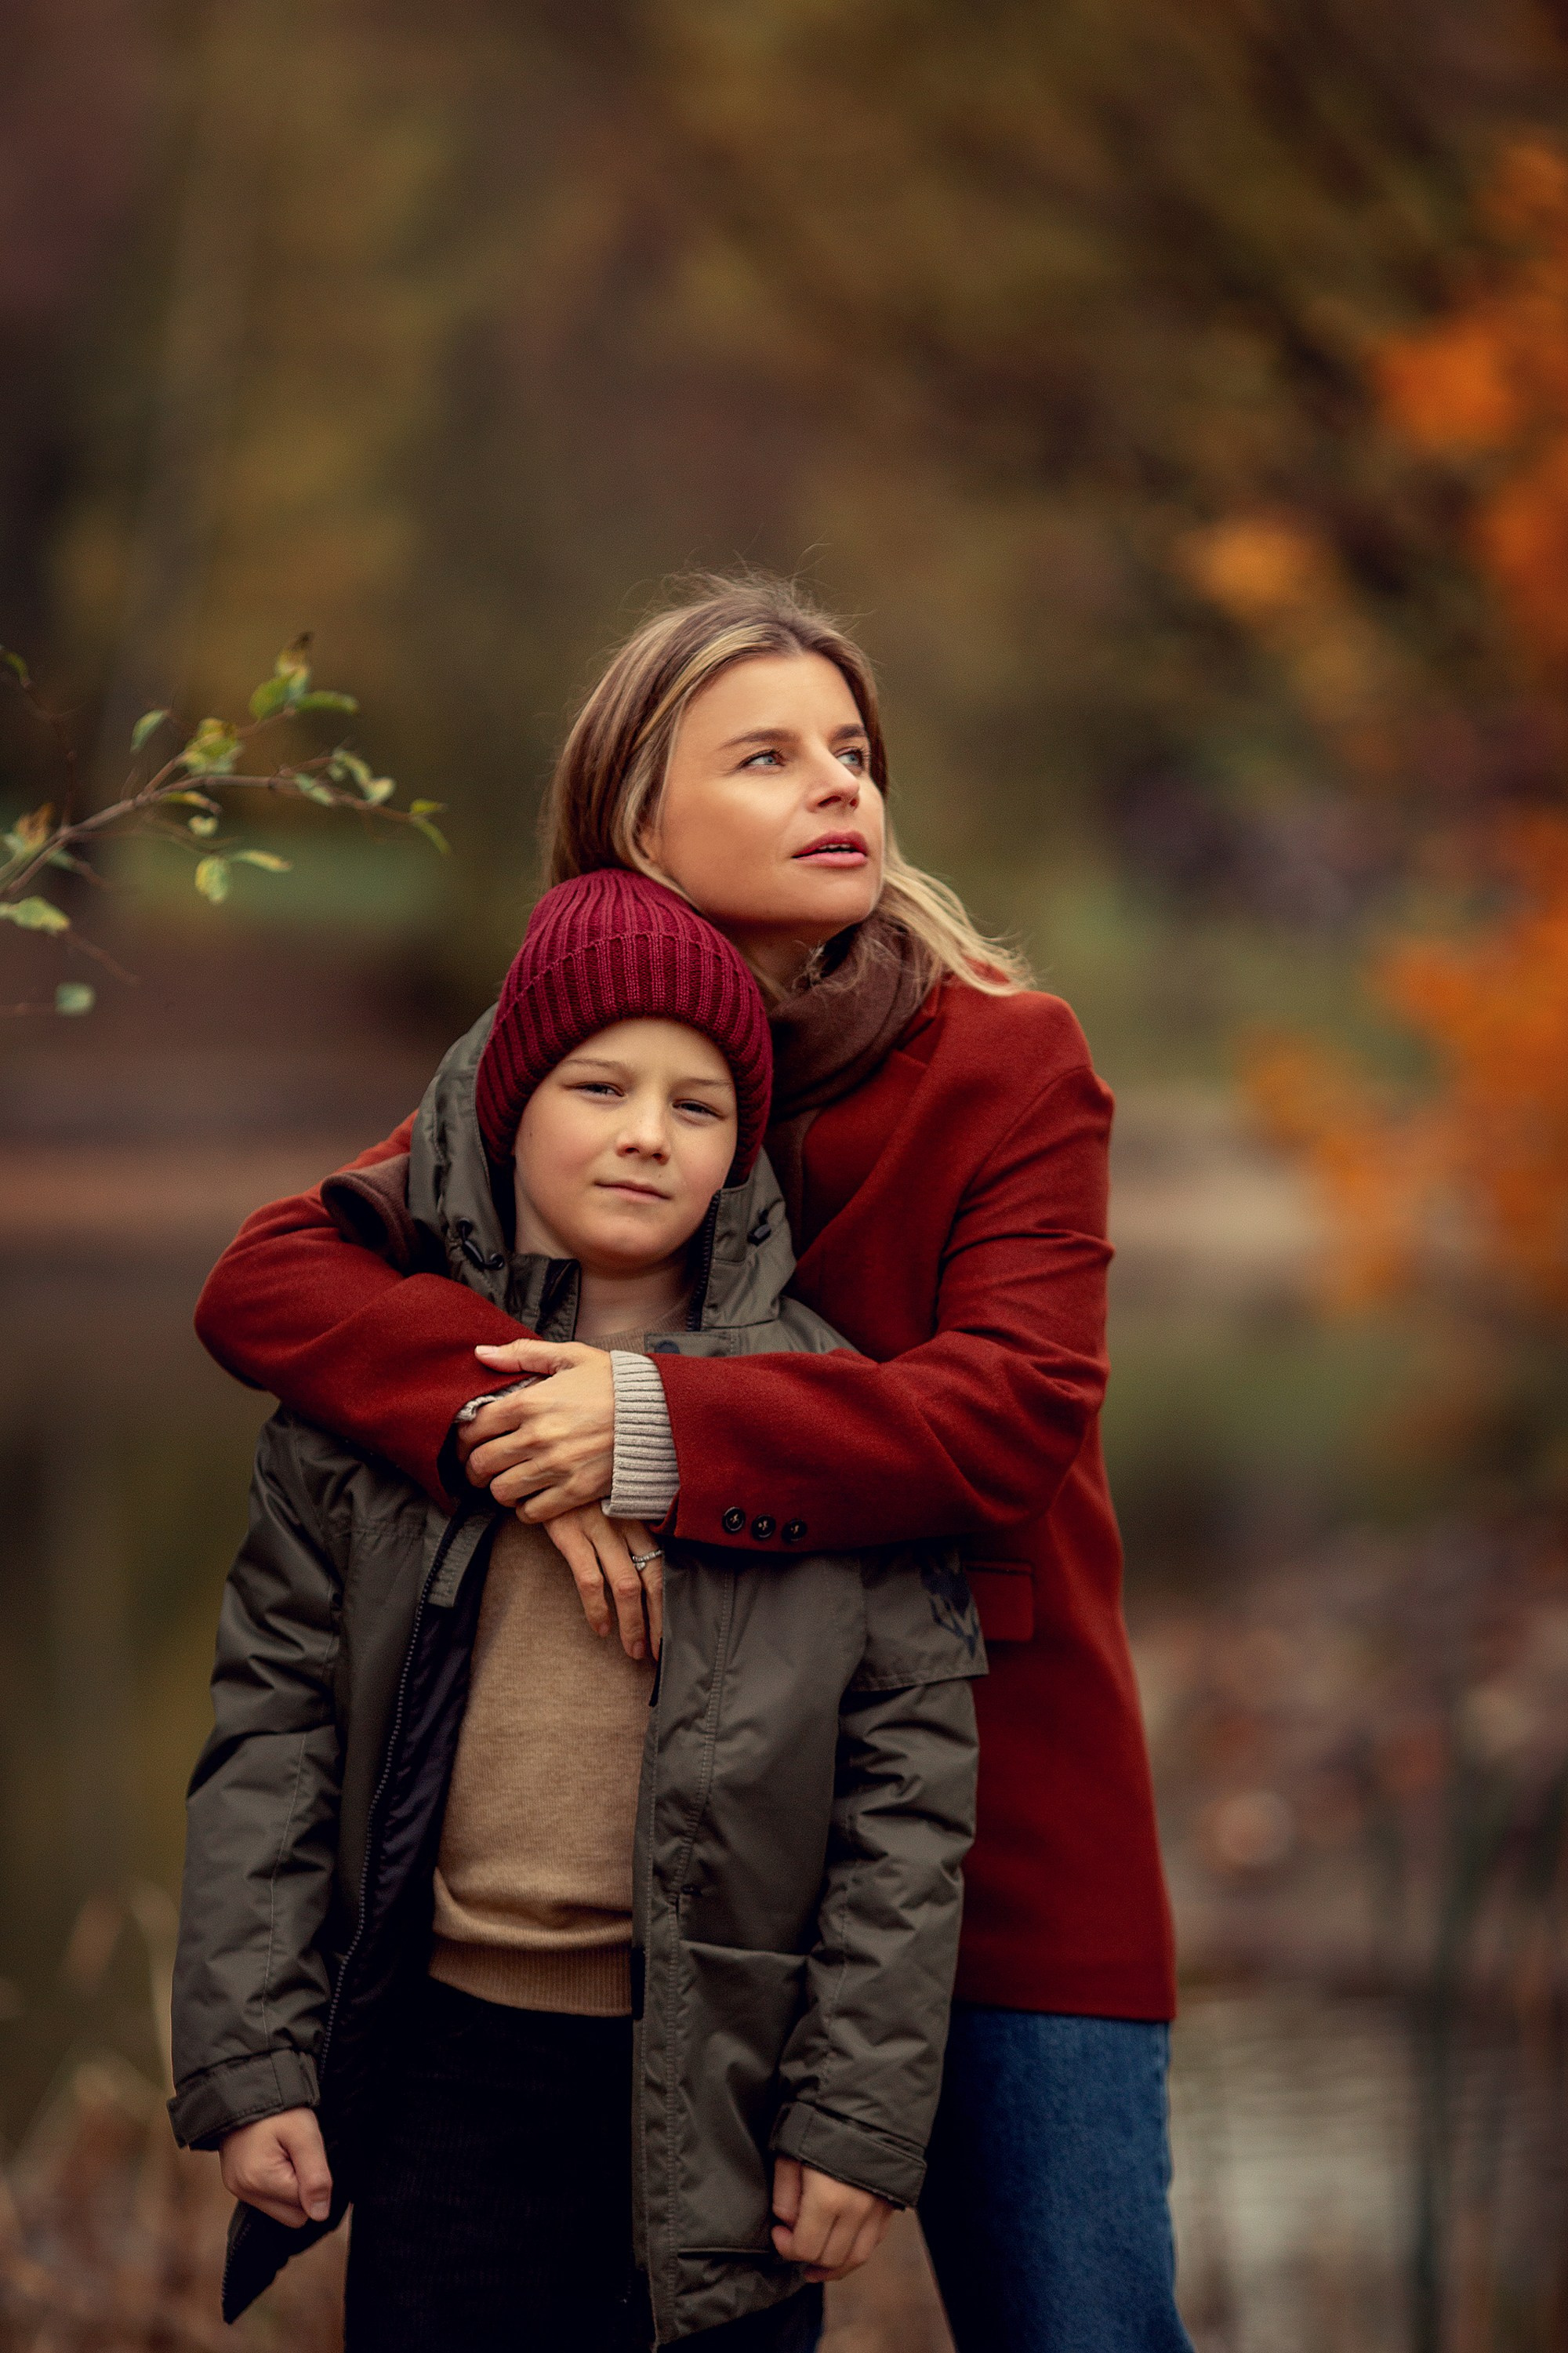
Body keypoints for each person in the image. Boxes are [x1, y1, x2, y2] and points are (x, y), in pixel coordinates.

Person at [194, 574, 1194, 2353]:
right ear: (633, 817)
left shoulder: (1005, 1057)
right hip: (699, 1878)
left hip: (997, 1824)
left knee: (1082, 2321)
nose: (841, 788)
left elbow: (1012, 1409)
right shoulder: (596, 1050)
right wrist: (540, 1417)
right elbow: (273, 1276)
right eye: (768, 754)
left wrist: (641, 1431)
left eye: (856, 752)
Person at [169, 869, 984, 2352]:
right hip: (438, 2081)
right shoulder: (364, 1410)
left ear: (743, 1148)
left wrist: (857, 2122)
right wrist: (255, 2062)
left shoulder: (818, 1425)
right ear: (504, 1105)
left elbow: (907, 1801)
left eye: (697, 1104)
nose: (642, 1134)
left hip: (712, 2094)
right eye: (598, 1083)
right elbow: (270, 1745)